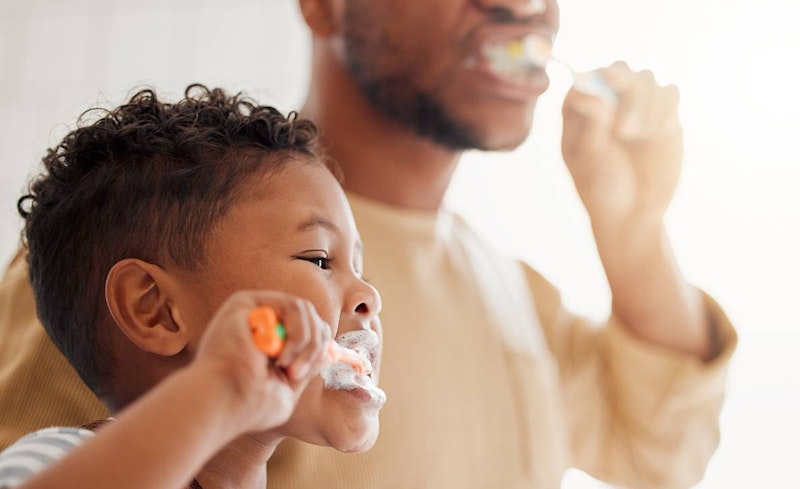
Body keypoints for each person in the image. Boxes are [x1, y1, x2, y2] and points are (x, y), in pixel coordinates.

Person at [0, 1, 739, 489]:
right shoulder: (146, 233)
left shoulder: (513, 291)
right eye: (319, 260)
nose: (524, 7)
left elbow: (660, 454)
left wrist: (633, 229)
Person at [0, 85, 385, 488]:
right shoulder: (69, 460)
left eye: (359, 269)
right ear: (156, 309)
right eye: (319, 259)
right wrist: (217, 389)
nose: (369, 296)